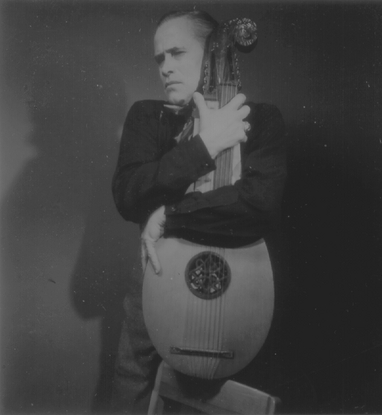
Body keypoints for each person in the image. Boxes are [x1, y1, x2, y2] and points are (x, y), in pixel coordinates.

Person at [111, 9, 287, 414]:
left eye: (176, 53)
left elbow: (259, 205)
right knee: (132, 376)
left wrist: (168, 215)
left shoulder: (262, 121)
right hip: (157, 276)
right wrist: (206, 145)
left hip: (242, 282)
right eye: (159, 59)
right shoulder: (147, 116)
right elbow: (129, 194)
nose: (165, 68)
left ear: (212, 56)